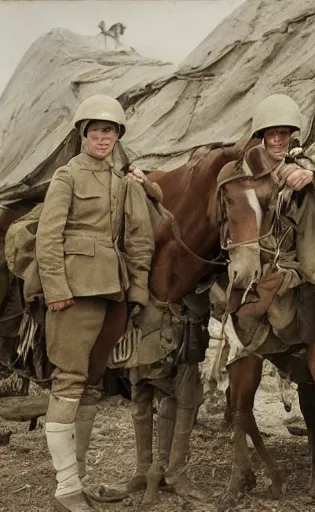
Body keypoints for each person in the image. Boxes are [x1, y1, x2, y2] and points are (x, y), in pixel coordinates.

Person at [37, 94, 155, 512]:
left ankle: (76, 481)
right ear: (83, 133)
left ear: (117, 137)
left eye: (110, 130)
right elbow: (47, 237)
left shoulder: (123, 181)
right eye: (96, 130)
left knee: (90, 385)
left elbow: (138, 240)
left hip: (114, 293)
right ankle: (66, 488)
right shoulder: (67, 177)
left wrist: (137, 291)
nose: (103, 137)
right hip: (74, 292)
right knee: (69, 380)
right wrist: (57, 290)